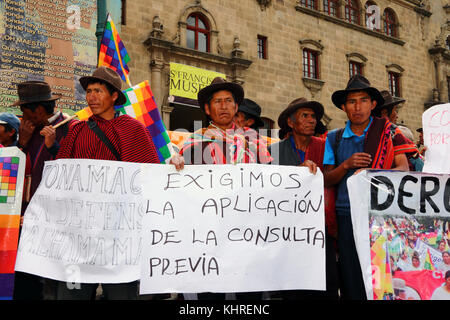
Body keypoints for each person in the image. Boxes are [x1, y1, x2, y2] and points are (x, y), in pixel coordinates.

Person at [54, 66, 161, 300]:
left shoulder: (134, 130)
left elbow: (152, 175)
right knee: (73, 295)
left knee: (121, 296)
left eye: (99, 91)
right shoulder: (76, 131)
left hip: (120, 238)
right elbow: (60, 178)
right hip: (79, 237)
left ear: (114, 96)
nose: (92, 97)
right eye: (89, 91)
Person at [179, 77, 272, 300]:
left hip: (247, 226)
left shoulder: (255, 142)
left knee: (249, 290)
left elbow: (272, 179)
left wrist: (302, 172)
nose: (224, 106)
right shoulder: (194, 142)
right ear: (207, 109)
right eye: (217, 101)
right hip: (209, 229)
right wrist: (175, 167)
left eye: (228, 101)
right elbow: (180, 184)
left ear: (236, 107)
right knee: (211, 289)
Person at [323, 75, 409, 300]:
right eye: (352, 101)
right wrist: (346, 165)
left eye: (363, 100)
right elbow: (327, 179)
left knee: (382, 275)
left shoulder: (391, 132)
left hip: (381, 214)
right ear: (344, 106)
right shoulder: (333, 138)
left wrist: (374, 176)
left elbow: (403, 168)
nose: (357, 106)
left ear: (373, 105)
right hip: (346, 214)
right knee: (351, 276)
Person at [12, 81, 77, 300]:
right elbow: (16, 170)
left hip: (61, 216)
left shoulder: (70, 127)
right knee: (31, 271)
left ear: (38, 110)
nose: (23, 117)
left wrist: (53, 146)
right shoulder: (27, 131)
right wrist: (22, 143)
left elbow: (75, 169)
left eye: (25, 111)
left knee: (58, 274)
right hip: (32, 215)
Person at [268, 97, 339, 300]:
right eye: (304, 116)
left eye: (313, 116)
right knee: (294, 287)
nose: (311, 120)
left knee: (326, 284)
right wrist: (294, 175)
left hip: (320, 229)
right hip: (288, 230)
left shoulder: (326, 148)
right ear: (290, 123)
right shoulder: (274, 152)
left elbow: (331, 179)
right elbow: (269, 190)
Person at [372, 91, 420, 171]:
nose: (396, 115)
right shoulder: (394, 134)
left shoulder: (368, 131)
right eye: (395, 110)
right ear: (384, 113)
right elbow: (404, 168)